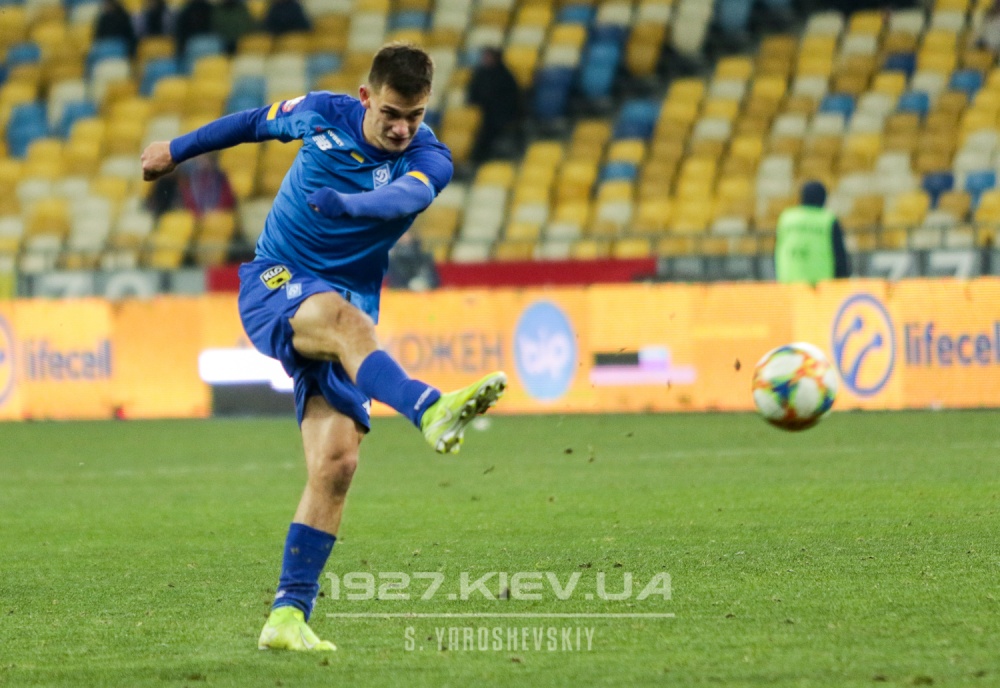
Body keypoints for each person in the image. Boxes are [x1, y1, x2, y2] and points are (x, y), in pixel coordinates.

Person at [140, 43, 506, 653]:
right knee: (346, 322)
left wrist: (350, 205)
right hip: (276, 281)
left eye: (414, 116)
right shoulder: (320, 113)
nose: (402, 128)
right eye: (391, 113)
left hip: (345, 302)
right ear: (366, 97)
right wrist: (175, 150)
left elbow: (406, 198)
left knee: (337, 464)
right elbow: (252, 123)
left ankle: (287, 616)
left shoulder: (429, 156)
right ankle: (429, 408)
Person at [774, 180, 851, 285]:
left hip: (789, 283)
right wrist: (842, 280)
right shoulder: (827, 219)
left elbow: (778, 249)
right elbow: (839, 255)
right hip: (820, 286)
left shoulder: (786, 218)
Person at [466, 47, 521, 163]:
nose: (485, 60)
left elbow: (510, 98)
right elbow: (473, 94)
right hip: (483, 113)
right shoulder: (480, 74)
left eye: (488, 57)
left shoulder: (505, 76)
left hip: (500, 115)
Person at [146, 154, 236, 219]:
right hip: (196, 216)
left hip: (217, 216)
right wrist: (197, 213)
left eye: (206, 158)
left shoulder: (220, 177)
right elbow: (188, 197)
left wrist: (213, 212)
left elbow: (227, 198)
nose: (203, 162)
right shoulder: (192, 177)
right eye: (201, 158)